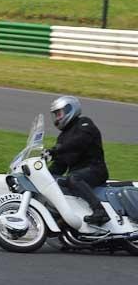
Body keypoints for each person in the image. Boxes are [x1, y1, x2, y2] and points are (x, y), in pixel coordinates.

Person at [47, 95, 110, 225]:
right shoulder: (62, 137)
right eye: (56, 115)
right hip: (77, 173)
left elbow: (78, 142)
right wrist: (44, 175)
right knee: (57, 182)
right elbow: (61, 164)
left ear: (70, 109)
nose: (57, 118)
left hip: (95, 169)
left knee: (74, 178)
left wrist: (55, 150)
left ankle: (100, 212)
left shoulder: (84, 124)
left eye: (59, 114)